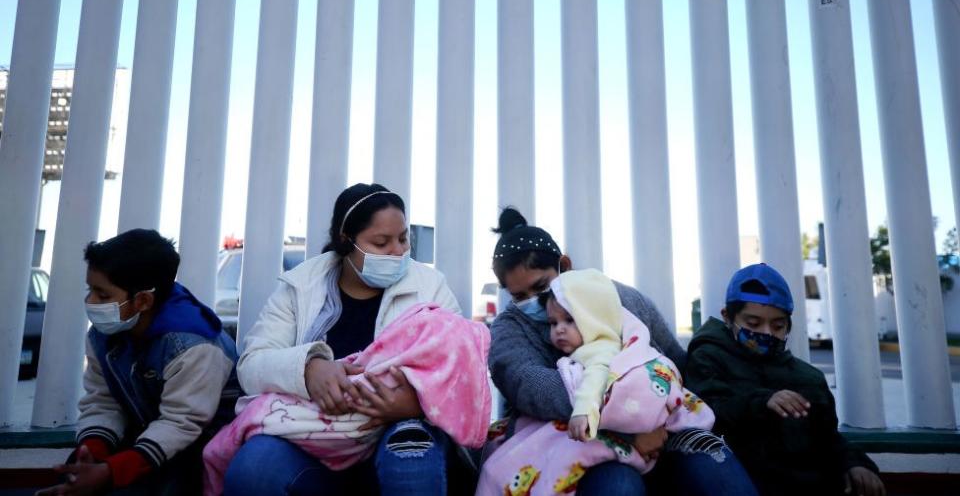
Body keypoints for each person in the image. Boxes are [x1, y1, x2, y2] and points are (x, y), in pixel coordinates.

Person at [487, 207, 757, 495]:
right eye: (518, 296)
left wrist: (657, 421)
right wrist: (633, 426)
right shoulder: (509, 330)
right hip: (572, 440)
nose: (533, 302)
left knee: (712, 460)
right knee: (618, 485)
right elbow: (536, 389)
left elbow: (672, 363)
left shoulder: (616, 297)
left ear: (564, 265)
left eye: (540, 287)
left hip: (661, 430)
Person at [222, 183, 466, 495]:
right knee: (254, 471)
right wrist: (309, 370)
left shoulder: (430, 287)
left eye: (403, 238)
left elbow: (461, 368)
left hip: (392, 432)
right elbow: (252, 364)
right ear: (345, 240)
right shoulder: (301, 288)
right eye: (381, 242)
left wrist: (415, 404)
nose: (399, 251)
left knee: (412, 458)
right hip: (309, 436)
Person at [39, 229, 241, 496]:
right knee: (76, 476)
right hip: (150, 436)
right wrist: (92, 452)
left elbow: (181, 424)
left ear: (143, 300)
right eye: (90, 290)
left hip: (201, 446)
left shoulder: (195, 346)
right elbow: (102, 400)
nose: (90, 302)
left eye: (102, 295)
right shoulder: (104, 334)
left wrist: (110, 472)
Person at [477, 270, 715, 495]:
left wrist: (586, 412)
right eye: (553, 323)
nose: (559, 330)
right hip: (626, 439)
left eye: (569, 320)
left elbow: (599, 381)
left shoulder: (602, 332)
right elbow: (529, 385)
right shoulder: (510, 326)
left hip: (651, 429)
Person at [685, 263, 885, 496]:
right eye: (753, 324)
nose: (767, 333)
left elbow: (827, 438)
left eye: (778, 325)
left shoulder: (809, 379)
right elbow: (705, 410)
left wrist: (855, 464)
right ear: (728, 317)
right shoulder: (707, 358)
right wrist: (762, 402)